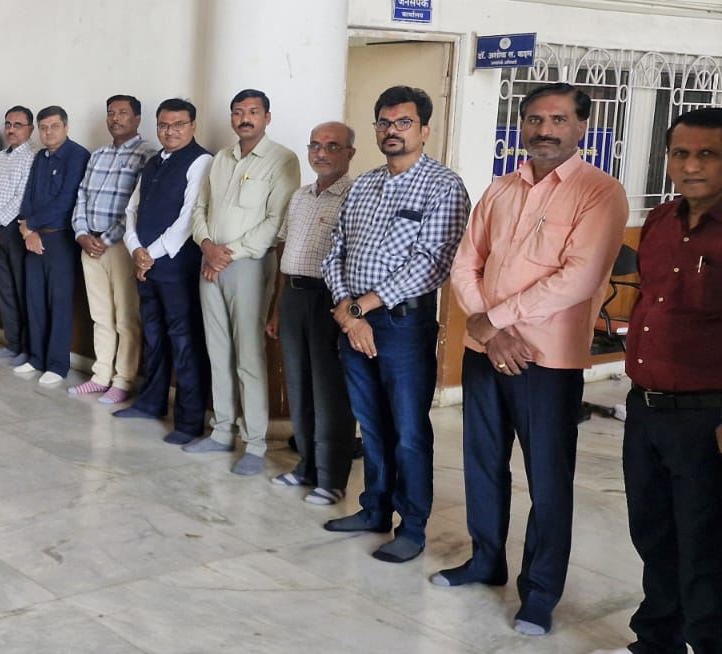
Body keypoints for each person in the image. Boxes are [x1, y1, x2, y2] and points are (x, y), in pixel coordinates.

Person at [441, 82, 629, 636]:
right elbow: (465, 262)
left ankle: (540, 591)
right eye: (534, 119)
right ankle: (485, 559)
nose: (544, 130)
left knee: (547, 478)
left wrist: (494, 321)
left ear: (581, 127)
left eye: (558, 119)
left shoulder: (600, 192)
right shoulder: (500, 188)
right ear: (521, 125)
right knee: (482, 461)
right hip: (485, 350)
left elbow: (579, 278)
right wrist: (488, 328)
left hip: (547, 360)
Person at [587, 107, 722, 654]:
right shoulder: (662, 221)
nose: (691, 166)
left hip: (707, 417)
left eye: (708, 154)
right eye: (681, 154)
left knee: (706, 547)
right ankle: (656, 640)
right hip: (645, 408)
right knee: (652, 533)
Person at [320, 85, 470, 564]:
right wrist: (347, 309)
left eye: (403, 123)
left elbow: (432, 263)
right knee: (371, 424)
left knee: (407, 430)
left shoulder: (443, 186)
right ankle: (374, 509)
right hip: (353, 320)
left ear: (425, 130)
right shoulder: (363, 185)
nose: (392, 131)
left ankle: (413, 526)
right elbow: (334, 252)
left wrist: (359, 309)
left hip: (403, 327)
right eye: (384, 123)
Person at [182, 89, 301, 477]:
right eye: (238, 112)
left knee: (249, 356)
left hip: (247, 266)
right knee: (217, 351)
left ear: (267, 117)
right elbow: (200, 209)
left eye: (253, 111)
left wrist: (226, 253)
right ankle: (221, 432)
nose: (244, 118)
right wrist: (207, 246)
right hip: (209, 264)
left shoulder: (283, 159)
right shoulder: (221, 158)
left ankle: (254, 444)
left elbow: (276, 221)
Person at [263, 121, 358, 505]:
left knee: (329, 391)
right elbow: (283, 252)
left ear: (350, 153)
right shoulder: (300, 197)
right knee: (298, 385)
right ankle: (306, 466)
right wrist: (276, 307)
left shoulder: (355, 196)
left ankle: (332, 478)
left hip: (329, 300)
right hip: (293, 297)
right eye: (315, 145)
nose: (321, 153)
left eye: (332, 146)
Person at [114, 98, 213, 447]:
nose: (170, 131)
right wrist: (134, 248)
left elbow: (188, 218)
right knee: (154, 337)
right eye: (164, 125)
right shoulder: (153, 161)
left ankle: (189, 422)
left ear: (193, 126)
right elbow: (132, 209)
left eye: (178, 124)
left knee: (185, 343)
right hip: (146, 266)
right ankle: (150, 403)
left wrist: (149, 255)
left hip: (177, 268)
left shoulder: (201, 161)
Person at [69, 94, 157, 404]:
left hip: (120, 247)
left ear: (137, 119)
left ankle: (123, 380)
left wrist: (106, 239)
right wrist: (81, 233)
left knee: (126, 319)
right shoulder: (98, 155)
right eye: (111, 113)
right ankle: (100, 376)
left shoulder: (147, 155)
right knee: (100, 316)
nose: (115, 118)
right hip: (88, 245)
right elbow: (81, 196)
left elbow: (136, 206)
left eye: (123, 113)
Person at [13, 106, 90, 386]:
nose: (48, 132)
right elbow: (28, 196)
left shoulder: (77, 156)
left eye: (54, 126)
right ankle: (37, 358)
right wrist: (27, 230)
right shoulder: (40, 158)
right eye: (44, 127)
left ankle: (57, 365)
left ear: (66, 128)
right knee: (34, 299)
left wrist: (30, 224)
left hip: (60, 238)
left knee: (59, 302)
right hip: (33, 237)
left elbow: (67, 200)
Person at [0, 106, 38, 366]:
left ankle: (26, 348)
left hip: (14, 230)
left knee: (20, 289)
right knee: (4, 289)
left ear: (30, 129)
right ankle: (12, 343)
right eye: (8, 124)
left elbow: (21, 199)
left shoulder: (32, 157)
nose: (11, 130)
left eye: (18, 125)